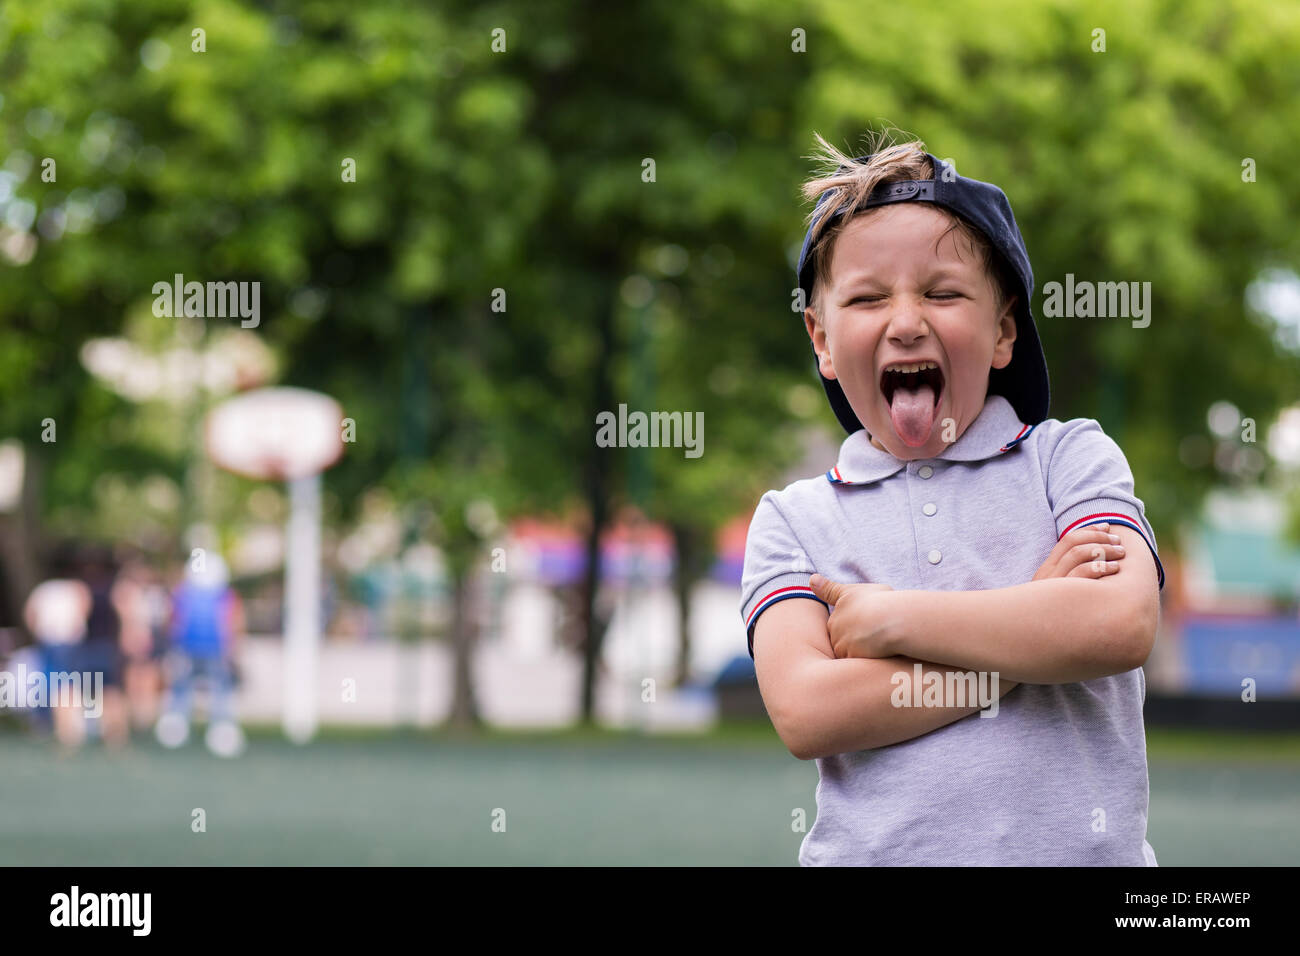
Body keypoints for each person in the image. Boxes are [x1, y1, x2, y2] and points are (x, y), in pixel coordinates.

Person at [740, 134, 1165, 866]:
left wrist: (893, 619)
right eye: (869, 298)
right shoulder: (793, 520)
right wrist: (1033, 627)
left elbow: (1119, 622)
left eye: (942, 293)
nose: (906, 321)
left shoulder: (1071, 458)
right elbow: (808, 711)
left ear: (1002, 331)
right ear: (823, 342)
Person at [155, 553, 246, 757]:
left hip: (185, 648)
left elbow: (171, 620)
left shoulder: (182, 593)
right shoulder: (225, 595)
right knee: (220, 691)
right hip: (217, 650)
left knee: (181, 689)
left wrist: (171, 644)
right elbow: (235, 622)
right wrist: (235, 648)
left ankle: (174, 730)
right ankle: (222, 732)